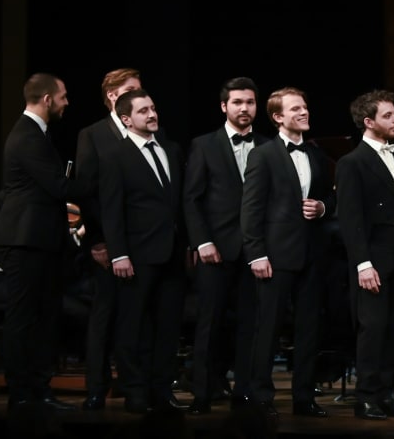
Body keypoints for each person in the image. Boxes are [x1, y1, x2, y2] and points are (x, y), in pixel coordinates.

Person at [240, 87, 333, 418]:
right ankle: (260, 397)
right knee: (268, 328)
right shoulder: (263, 155)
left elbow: (330, 197)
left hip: (312, 254)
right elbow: (251, 208)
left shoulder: (316, 154)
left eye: (304, 107)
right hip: (276, 255)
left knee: (309, 330)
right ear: (278, 117)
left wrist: (322, 207)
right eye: (295, 109)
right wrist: (256, 254)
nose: (304, 112)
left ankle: (304, 398)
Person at [183, 77, 270, 415]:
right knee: (210, 323)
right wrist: (202, 241)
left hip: (256, 251)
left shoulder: (268, 145)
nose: (244, 108)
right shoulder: (204, 145)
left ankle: (244, 392)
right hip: (216, 249)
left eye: (250, 102)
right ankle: (202, 393)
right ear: (224, 106)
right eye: (237, 102)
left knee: (251, 325)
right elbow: (192, 198)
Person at [335, 90, 394, 420]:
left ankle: (386, 394)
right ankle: (366, 397)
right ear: (369, 122)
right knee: (372, 328)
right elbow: (351, 219)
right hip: (372, 255)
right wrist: (363, 263)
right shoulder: (352, 163)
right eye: (388, 115)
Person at [100, 89, 188, 413]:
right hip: (136, 255)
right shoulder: (115, 155)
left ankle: (161, 390)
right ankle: (135, 391)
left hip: (172, 253)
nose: (152, 114)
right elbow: (111, 210)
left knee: (168, 326)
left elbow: (178, 203)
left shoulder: (170, 149)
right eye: (143, 111)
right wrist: (118, 254)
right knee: (133, 326)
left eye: (153, 108)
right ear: (126, 119)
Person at [0, 73, 76, 411]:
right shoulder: (28, 136)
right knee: (25, 318)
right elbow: (59, 186)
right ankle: (22, 393)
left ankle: (38, 390)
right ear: (47, 99)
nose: (66, 103)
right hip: (26, 240)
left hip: (38, 240)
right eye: (63, 96)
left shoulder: (36, 133)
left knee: (43, 317)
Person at [74, 67, 142, 410]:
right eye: (132, 90)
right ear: (113, 96)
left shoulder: (147, 129)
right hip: (108, 243)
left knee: (136, 317)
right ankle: (96, 388)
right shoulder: (93, 134)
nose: (139, 96)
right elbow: (87, 193)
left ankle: (135, 386)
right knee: (104, 315)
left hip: (142, 242)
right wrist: (99, 242)